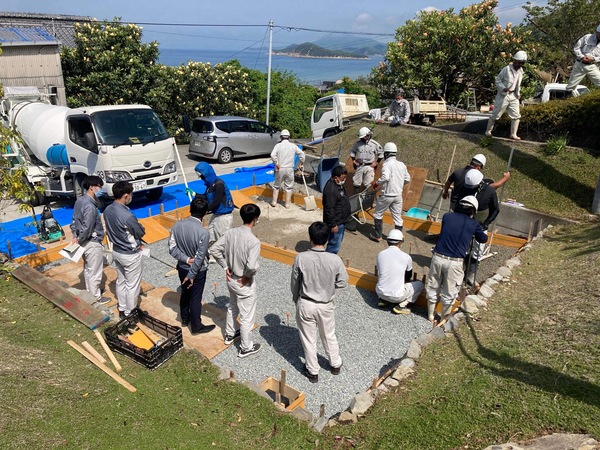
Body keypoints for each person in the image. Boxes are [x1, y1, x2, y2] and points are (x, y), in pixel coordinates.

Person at [291, 221, 348, 383]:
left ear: (310, 238)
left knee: (309, 339)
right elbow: (343, 281)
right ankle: (335, 364)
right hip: (326, 303)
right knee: (329, 334)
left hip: (306, 302)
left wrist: (296, 299)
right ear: (328, 238)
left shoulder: (301, 258)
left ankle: (313, 371)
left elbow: (295, 282)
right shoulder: (335, 260)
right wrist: (331, 286)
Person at [209, 203, 262, 358]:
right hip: (242, 281)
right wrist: (247, 276)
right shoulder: (253, 241)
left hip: (231, 277)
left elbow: (213, 249)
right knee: (247, 316)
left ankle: (230, 334)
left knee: (233, 306)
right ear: (255, 219)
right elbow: (252, 265)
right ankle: (246, 347)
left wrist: (225, 267)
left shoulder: (231, 233)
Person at [425, 195, 487, 324]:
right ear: (473, 211)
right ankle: (443, 319)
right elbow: (483, 239)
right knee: (450, 291)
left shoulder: (447, 217)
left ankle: (430, 316)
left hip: (438, 258)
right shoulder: (473, 224)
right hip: (455, 263)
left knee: (433, 285)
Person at [168, 195, 216, 335]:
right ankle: (196, 326)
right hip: (197, 271)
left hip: (182, 266)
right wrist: (192, 274)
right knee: (196, 297)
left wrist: (185, 258)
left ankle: (184, 318)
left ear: (190, 209)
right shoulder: (203, 233)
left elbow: (172, 248)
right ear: (206, 212)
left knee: (185, 293)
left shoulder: (177, 225)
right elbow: (200, 257)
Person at [103, 181, 146, 318]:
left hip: (116, 250)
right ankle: (131, 313)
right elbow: (139, 232)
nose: (131, 197)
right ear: (126, 196)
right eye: (131, 195)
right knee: (132, 285)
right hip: (130, 254)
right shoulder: (127, 215)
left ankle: (122, 308)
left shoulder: (108, 209)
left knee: (121, 281)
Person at [453, 169, 501, 286]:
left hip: (480, 224)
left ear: (479, 184)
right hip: (465, 223)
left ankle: (471, 273)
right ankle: (459, 272)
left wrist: (486, 223)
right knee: (462, 247)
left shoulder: (489, 191)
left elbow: (496, 209)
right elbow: (456, 202)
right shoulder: (465, 188)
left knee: (477, 250)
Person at [70, 175, 109, 305]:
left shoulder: (79, 201)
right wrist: (80, 238)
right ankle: (96, 298)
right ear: (92, 188)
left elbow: (74, 221)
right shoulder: (90, 206)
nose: (100, 189)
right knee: (95, 272)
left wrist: (76, 237)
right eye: (99, 187)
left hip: (82, 241)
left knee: (88, 269)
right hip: (91, 242)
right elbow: (87, 226)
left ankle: (90, 293)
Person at [376, 229, 424, 314]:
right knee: (420, 284)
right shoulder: (406, 257)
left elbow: (381, 271)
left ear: (388, 241)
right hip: (396, 297)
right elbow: (408, 276)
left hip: (380, 292)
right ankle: (401, 306)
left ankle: (383, 300)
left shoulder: (380, 254)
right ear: (400, 242)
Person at [370, 142, 411, 242]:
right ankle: (398, 238)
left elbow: (385, 177)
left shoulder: (387, 164)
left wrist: (376, 183)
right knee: (397, 218)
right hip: (398, 195)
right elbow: (407, 179)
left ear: (386, 154)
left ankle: (378, 235)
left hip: (387, 195)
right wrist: (398, 183)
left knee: (377, 214)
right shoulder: (401, 164)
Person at [442, 154, 510, 211]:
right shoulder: (475, 177)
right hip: (465, 206)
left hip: (453, 205)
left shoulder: (457, 171)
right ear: (478, 167)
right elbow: (490, 187)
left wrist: (445, 192)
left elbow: (448, 182)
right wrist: (504, 179)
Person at [485, 51, 527, 140]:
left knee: (516, 115)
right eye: (519, 62)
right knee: (496, 114)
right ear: (515, 60)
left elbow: (517, 84)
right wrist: (503, 88)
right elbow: (498, 80)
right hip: (504, 95)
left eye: (522, 63)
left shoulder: (521, 71)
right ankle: (488, 131)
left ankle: (513, 134)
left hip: (514, 96)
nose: (520, 64)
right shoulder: (506, 69)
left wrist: (518, 93)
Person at [194, 162, 234, 245]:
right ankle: (211, 255)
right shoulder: (210, 185)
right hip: (216, 215)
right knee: (210, 235)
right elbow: (206, 197)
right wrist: (194, 194)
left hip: (224, 217)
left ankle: (223, 257)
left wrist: (204, 210)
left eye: (202, 177)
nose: (202, 179)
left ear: (206, 174)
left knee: (221, 241)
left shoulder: (219, 184)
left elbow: (216, 201)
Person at [270, 129, 305, 208]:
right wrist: (301, 163)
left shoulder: (278, 146)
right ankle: (287, 204)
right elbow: (302, 154)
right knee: (289, 187)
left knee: (276, 185)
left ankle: (274, 202)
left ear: (281, 137)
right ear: (289, 137)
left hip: (280, 168)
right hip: (289, 169)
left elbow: (272, 155)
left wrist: (276, 163)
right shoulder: (293, 146)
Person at [322, 166, 351, 254]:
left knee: (336, 242)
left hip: (341, 220)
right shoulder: (331, 190)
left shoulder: (338, 185)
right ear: (336, 178)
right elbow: (329, 209)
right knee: (334, 244)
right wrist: (333, 224)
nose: (344, 180)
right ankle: (329, 260)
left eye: (345, 177)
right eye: (342, 178)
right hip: (336, 222)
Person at [565, 25, 600, 95]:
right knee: (571, 86)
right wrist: (582, 57)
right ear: (596, 32)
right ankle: (563, 101)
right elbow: (576, 48)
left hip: (592, 66)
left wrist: (593, 59)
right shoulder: (587, 37)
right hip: (580, 65)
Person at [349, 127, 383, 192]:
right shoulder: (357, 144)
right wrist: (353, 160)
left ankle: (367, 199)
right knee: (356, 183)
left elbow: (381, 154)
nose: (361, 138)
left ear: (368, 135)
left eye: (363, 137)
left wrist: (376, 162)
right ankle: (356, 197)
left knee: (367, 183)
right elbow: (352, 152)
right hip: (360, 165)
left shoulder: (374, 144)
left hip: (370, 166)